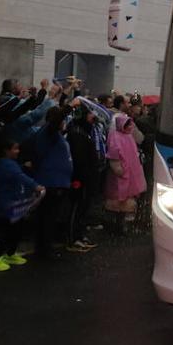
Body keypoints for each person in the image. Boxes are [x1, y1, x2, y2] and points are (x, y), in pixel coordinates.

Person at [0, 136, 42, 271]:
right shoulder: (5, 165)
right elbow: (19, 177)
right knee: (7, 232)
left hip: (13, 204)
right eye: (15, 149)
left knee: (16, 230)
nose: (18, 151)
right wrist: (36, 186)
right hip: (6, 205)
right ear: (6, 151)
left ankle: (10, 253)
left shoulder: (10, 164)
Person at [26, 107, 74, 257]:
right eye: (62, 120)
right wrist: (69, 107)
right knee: (48, 216)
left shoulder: (54, 135)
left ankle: (44, 247)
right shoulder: (48, 132)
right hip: (51, 182)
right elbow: (56, 120)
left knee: (48, 216)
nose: (64, 122)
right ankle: (44, 249)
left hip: (56, 181)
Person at [66, 103, 102, 251]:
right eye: (89, 115)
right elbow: (79, 160)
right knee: (77, 208)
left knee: (84, 207)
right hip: (81, 179)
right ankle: (73, 238)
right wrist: (79, 179)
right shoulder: (76, 134)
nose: (92, 117)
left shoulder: (84, 132)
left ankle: (79, 235)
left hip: (88, 178)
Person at [104, 113, 147, 234]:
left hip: (128, 173)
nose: (130, 127)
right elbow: (113, 155)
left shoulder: (128, 136)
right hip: (119, 175)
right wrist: (118, 169)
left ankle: (120, 225)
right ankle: (115, 226)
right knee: (116, 199)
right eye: (127, 124)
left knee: (125, 200)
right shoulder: (115, 136)